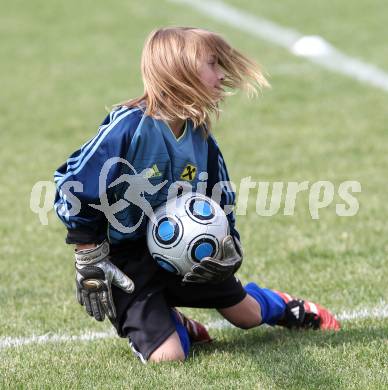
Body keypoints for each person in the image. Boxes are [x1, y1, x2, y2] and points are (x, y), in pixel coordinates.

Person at [54, 27, 340, 363]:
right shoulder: (130, 128)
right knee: (169, 356)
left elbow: (219, 198)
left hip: (185, 253)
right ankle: (176, 325)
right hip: (125, 261)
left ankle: (288, 306)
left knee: (245, 315)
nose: (221, 75)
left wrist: (228, 243)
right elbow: (71, 183)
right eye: (212, 65)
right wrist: (88, 254)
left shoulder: (200, 139)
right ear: (181, 71)